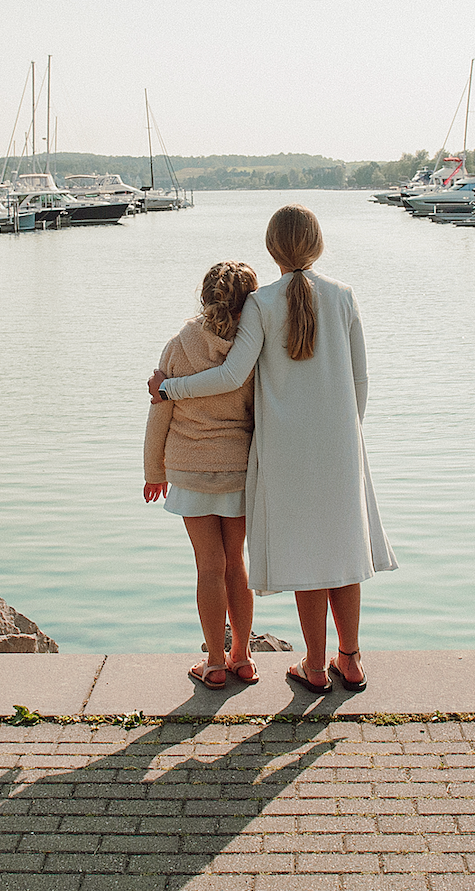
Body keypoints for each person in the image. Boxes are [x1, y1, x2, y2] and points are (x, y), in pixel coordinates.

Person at [148, 204, 397, 694]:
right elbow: (361, 380)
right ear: (318, 243)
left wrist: (169, 390)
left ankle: (315, 665)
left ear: (271, 249)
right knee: (345, 554)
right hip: (341, 448)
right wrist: (349, 434)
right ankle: (350, 662)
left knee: (308, 556)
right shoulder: (343, 296)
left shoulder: (261, 304)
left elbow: (232, 375)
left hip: (285, 453)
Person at [144, 260, 261, 688]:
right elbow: (259, 411)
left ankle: (213, 662)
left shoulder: (179, 345)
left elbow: (160, 412)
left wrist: (154, 470)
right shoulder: (251, 350)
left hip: (190, 469)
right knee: (236, 565)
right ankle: (243, 657)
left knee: (208, 567)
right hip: (236, 468)